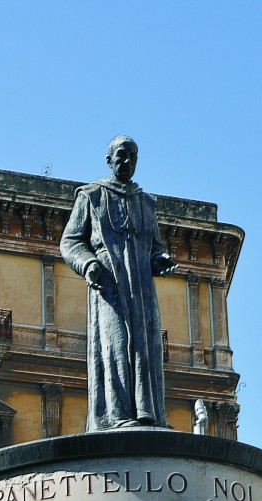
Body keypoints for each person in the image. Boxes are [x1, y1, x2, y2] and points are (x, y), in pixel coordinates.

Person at [60, 135, 177, 431]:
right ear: (109, 159)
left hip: (141, 289)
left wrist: (160, 258)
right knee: (115, 345)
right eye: (121, 155)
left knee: (144, 348)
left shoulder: (146, 203)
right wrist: (88, 264)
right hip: (109, 285)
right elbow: (70, 241)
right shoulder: (91, 196)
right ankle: (116, 415)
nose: (127, 161)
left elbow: (155, 246)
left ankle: (147, 415)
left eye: (132, 157)